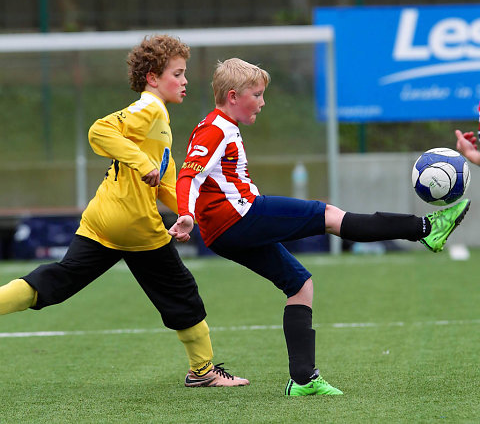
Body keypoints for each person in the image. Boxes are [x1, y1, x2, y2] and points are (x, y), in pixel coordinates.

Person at [168, 58, 471, 396]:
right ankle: (426, 227)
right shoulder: (215, 128)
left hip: (226, 230)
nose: (263, 102)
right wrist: (186, 213)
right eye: (257, 94)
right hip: (240, 217)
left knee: (299, 284)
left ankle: (302, 379)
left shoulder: (220, 125)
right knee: (331, 217)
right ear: (234, 95)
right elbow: (187, 174)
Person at [0, 36, 248, 388]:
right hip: (134, 224)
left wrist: (187, 213)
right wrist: (141, 160)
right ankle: (203, 371)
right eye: (177, 73)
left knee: (59, 279)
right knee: (181, 292)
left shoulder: (158, 123)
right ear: (152, 78)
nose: (185, 81)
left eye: (184, 74)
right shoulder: (150, 108)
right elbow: (99, 130)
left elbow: (163, 182)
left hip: (102, 218)